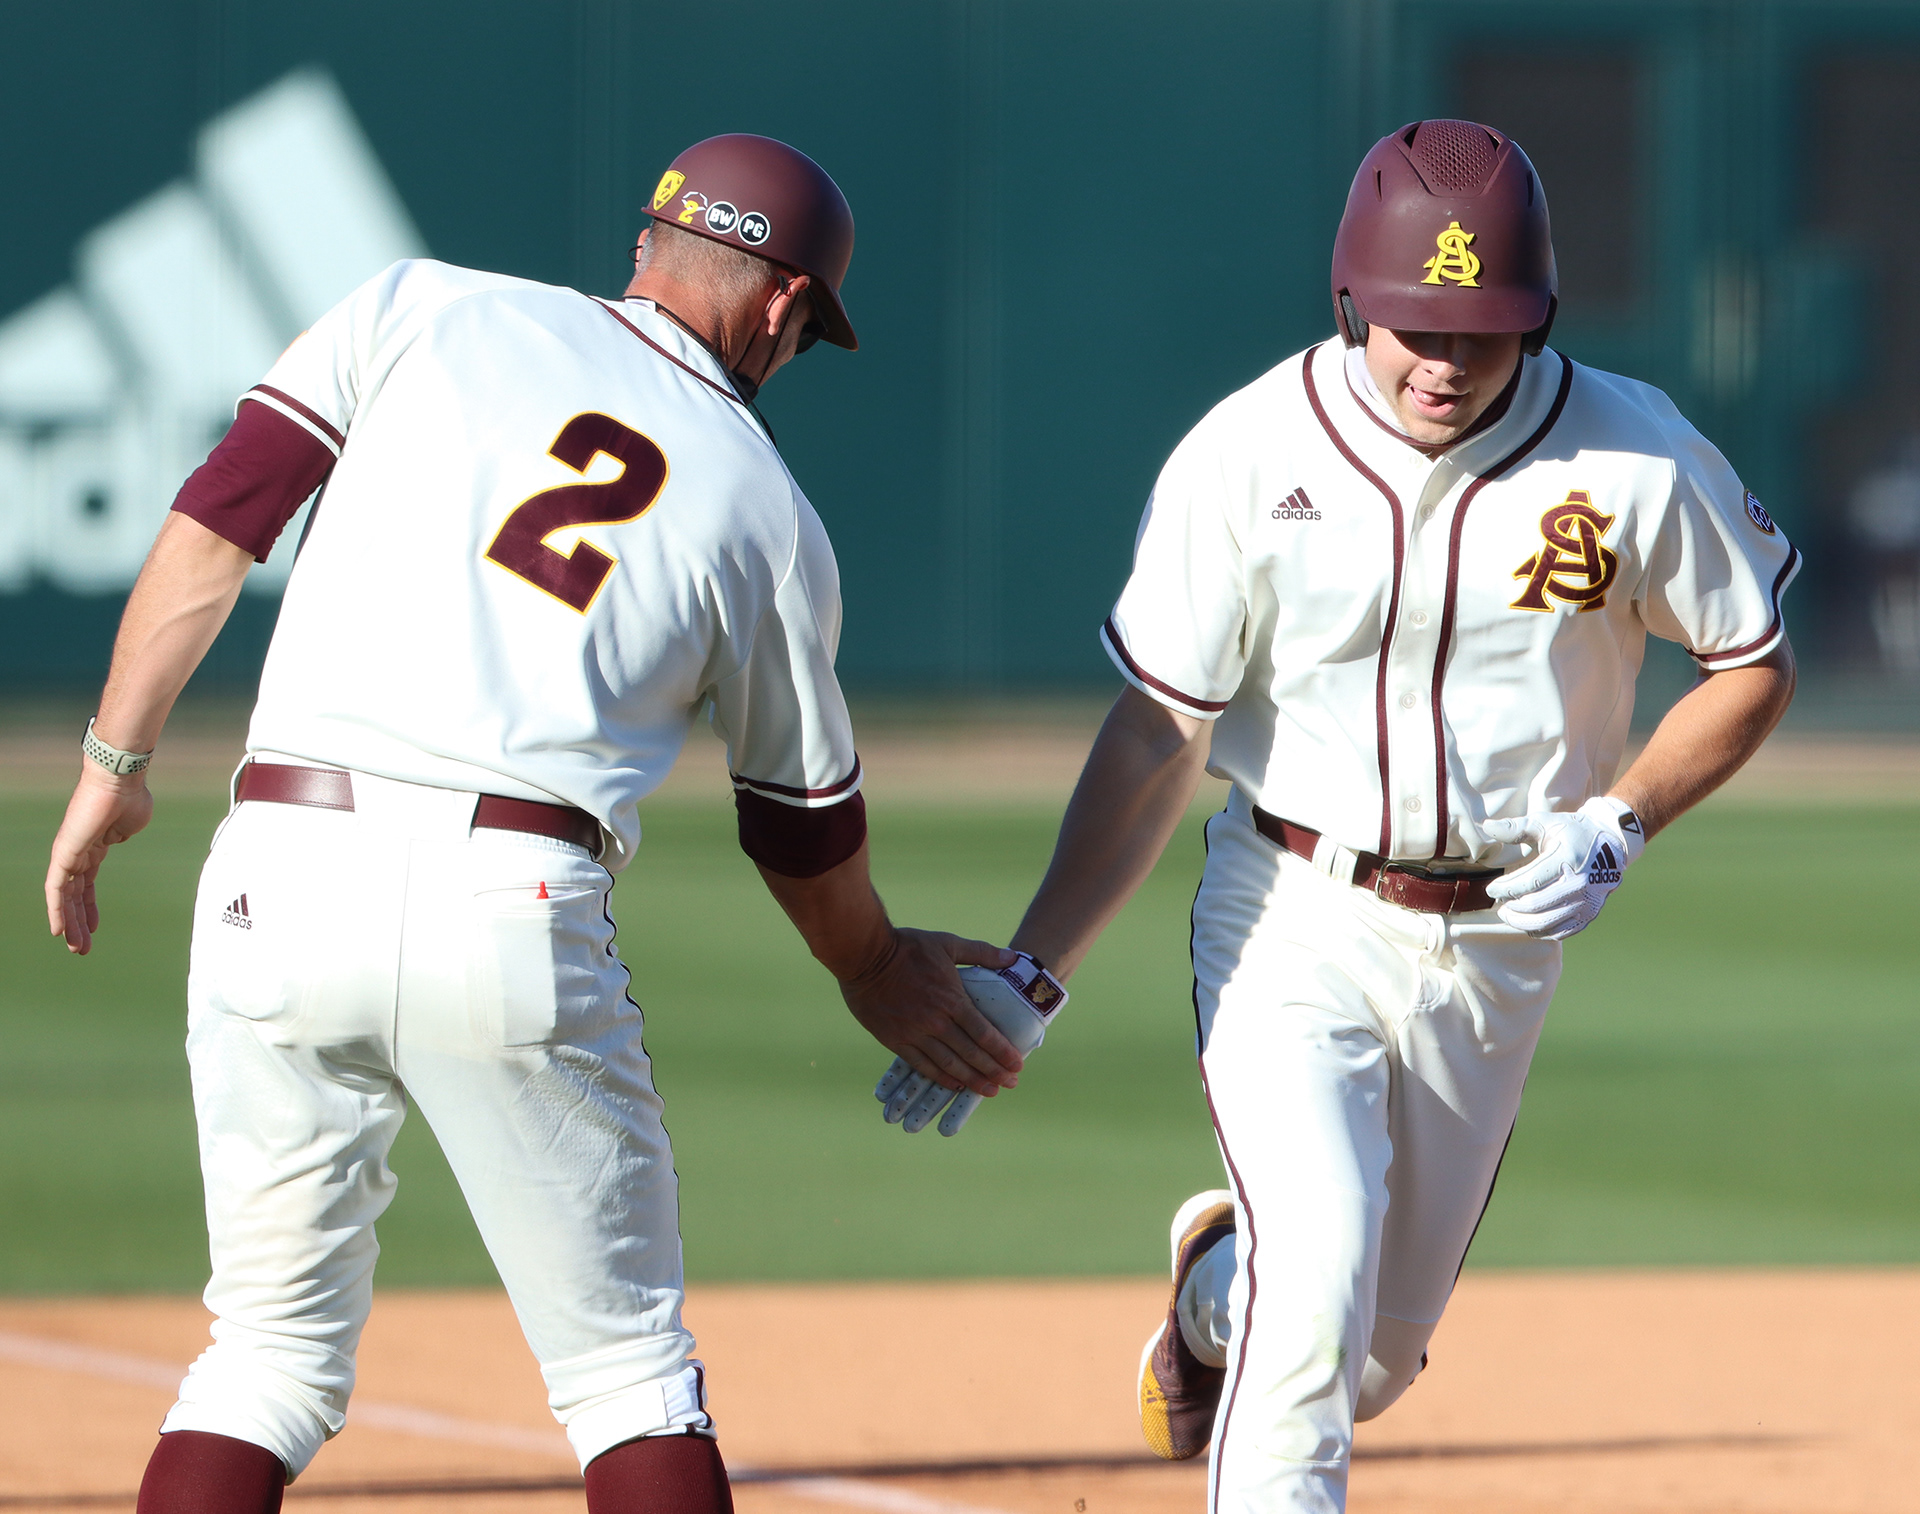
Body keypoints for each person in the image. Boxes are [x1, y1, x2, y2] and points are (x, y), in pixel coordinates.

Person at [44, 133, 1021, 1514]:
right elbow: (799, 827)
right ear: (789, 309)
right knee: (625, 1377)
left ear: (645, 248)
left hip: (277, 863)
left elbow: (223, 517)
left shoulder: (417, 305)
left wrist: (112, 762)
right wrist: (870, 966)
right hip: (510, 897)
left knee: (262, 1362)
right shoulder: (766, 510)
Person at [1004, 119, 1799, 1513]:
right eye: (1413, 325)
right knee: (1315, 1285)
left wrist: (1621, 819)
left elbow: (1750, 663)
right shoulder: (1250, 452)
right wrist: (1035, 966)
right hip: (1291, 910)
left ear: (1540, 318)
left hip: (1499, 940)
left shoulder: (1633, 453)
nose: (1442, 360)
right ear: (1350, 301)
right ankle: (1259, 1299)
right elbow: (1156, 732)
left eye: (1480, 333)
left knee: (1366, 1353)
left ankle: (1208, 1293)